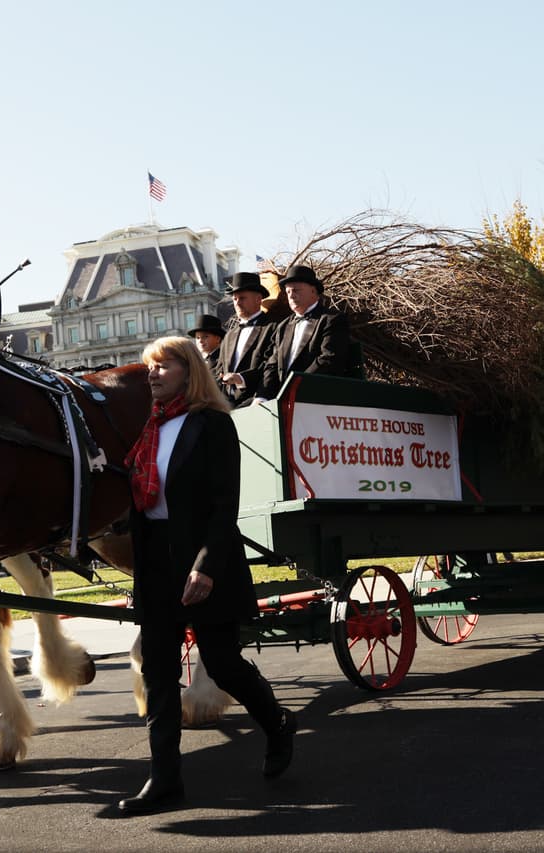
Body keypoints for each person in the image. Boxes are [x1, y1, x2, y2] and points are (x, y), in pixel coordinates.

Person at [118, 335, 296, 816]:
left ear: (189, 371)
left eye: (163, 365)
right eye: (149, 366)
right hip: (156, 560)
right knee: (158, 671)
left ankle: (277, 723)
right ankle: (164, 781)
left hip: (201, 558)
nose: (152, 373)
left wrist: (205, 567)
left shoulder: (212, 424)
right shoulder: (149, 427)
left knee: (221, 664)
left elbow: (224, 506)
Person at [259, 264, 352, 397]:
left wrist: (294, 388)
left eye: (296, 290)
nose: (291, 296)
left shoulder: (332, 320)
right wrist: (263, 395)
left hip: (315, 394)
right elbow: (272, 364)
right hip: (282, 396)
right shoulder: (283, 326)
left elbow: (328, 360)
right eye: (288, 292)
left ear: (313, 291)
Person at [216, 272, 278, 406]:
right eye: (235, 299)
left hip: (258, 401)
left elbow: (272, 366)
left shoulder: (273, 328)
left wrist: (241, 378)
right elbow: (219, 371)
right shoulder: (229, 335)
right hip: (227, 406)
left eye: (242, 298)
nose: (237, 303)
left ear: (258, 299)